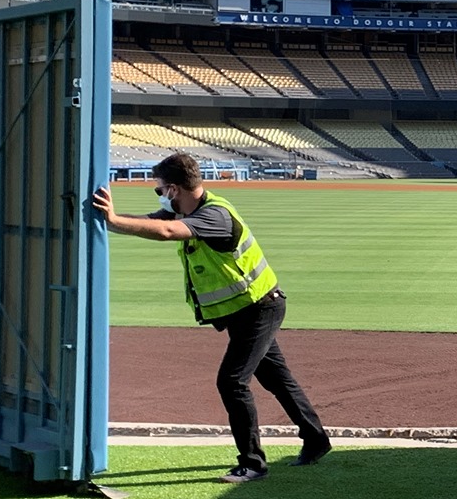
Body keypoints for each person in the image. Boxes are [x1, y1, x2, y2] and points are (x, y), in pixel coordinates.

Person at [92, 152, 331, 483]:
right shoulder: (191, 210)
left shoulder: (213, 216)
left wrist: (114, 221)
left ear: (175, 189)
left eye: (160, 189)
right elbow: (154, 221)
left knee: (232, 381)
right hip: (245, 310)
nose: (160, 196)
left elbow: (165, 231)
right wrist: (110, 218)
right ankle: (317, 439)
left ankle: (252, 463)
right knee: (276, 378)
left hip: (259, 307)